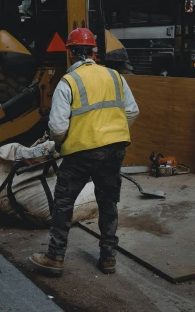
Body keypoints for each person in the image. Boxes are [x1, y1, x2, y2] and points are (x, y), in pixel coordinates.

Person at [30, 27, 139, 277]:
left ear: (70, 53)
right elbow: (132, 111)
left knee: (64, 202)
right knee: (108, 202)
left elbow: (57, 126)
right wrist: (112, 132)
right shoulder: (115, 77)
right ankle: (108, 258)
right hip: (114, 150)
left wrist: (62, 143)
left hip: (81, 154)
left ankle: (55, 257)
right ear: (94, 53)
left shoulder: (68, 82)